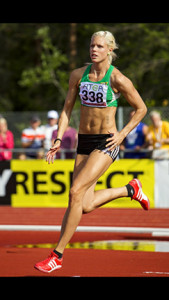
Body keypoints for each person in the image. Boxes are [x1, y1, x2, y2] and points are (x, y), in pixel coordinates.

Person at [34, 30, 149, 273]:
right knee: (84, 204)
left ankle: (57, 255)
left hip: (106, 142)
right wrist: (57, 138)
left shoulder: (117, 79)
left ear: (109, 50)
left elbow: (141, 108)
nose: (94, 50)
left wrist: (122, 134)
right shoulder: (78, 75)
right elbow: (66, 110)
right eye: (91, 46)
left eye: (99, 46)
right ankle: (130, 189)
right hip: (83, 142)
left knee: (75, 192)